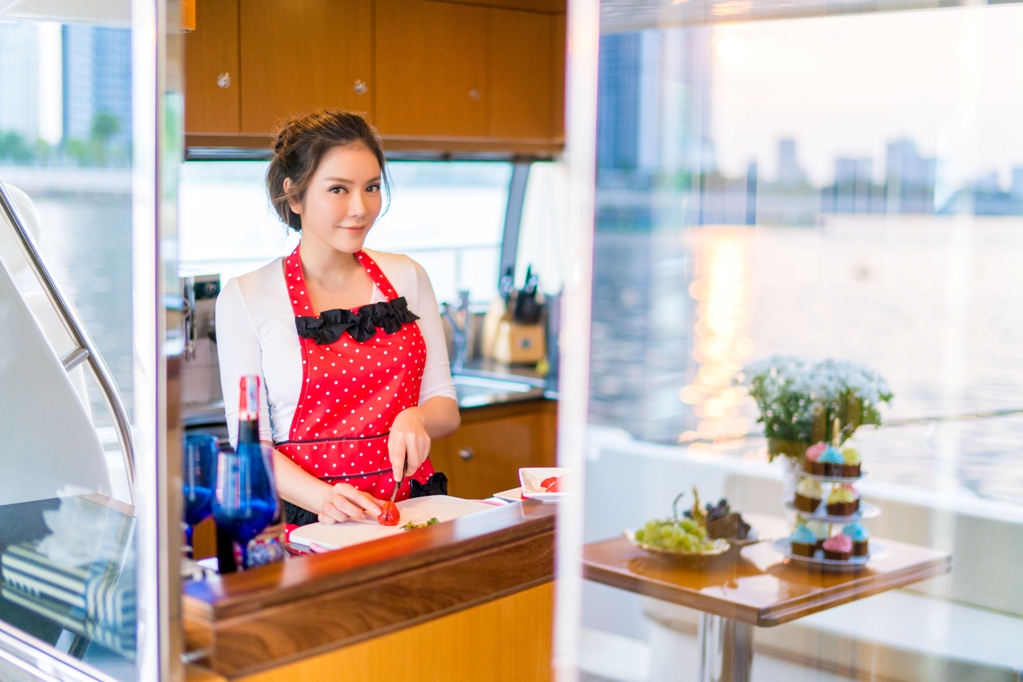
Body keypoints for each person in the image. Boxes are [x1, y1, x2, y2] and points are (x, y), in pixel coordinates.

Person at [216, 110, 460, 526]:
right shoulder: (246, 297)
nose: (360, 208)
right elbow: (251, 446)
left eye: (371, 188)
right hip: (312, 522)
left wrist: (416, 416)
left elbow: (445, 406)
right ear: (294, 196)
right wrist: (325, 498)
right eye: (338, 189)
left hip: (410, 512)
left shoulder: (408, 276)